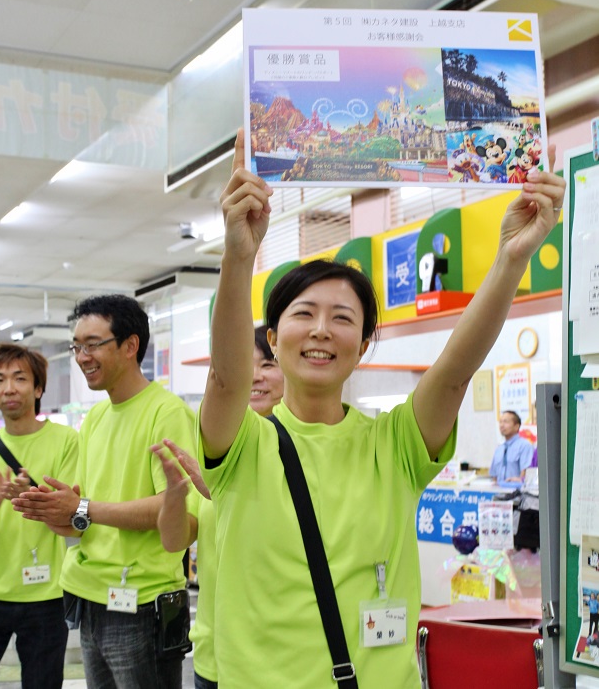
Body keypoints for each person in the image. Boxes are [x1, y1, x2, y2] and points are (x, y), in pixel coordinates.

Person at [194, 129, 565, 688]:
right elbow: (225, 380)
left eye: (343, 318)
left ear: (364, 345)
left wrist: (512, 258)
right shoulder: (244, 441)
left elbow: (455, 372)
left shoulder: (394, 444)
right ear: (272, 339)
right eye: (304, 314)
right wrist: (237, 255)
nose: (322, 329)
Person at [12, 294, 196, 689]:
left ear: (130, 346)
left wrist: (82, 507)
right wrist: (56, 513)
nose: (81, 357)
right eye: (76, 346)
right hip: (88, 598)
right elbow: (84, 516)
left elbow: (175, 509)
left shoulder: (167, 412)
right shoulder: (95, 417)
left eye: (93, 344)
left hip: (142, 603)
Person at [154, 325, 284, 689]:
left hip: (286, 656)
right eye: (245, 363)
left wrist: (218, 491)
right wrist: (175, 496)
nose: (255, 375)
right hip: (216, 651)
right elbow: (175, 540)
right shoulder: (210, 447)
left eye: (269, 364)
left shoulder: (302, 446)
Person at [0, 343, 78, 689]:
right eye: (0, 379)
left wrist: (31, 498)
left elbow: (71, 514)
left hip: (47, 597)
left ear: (37, 389)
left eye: (20, 379)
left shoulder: (67, 441)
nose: (8, 388)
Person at [489, 410, 534, 484]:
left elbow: (526, 474)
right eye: (500, 422)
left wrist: (519, 480)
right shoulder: (499, 449)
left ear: (516, 426)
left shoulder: (525, 446)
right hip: (500, 492)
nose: (502, 425)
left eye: (506, 422)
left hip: (517, 492)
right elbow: (494, 477)